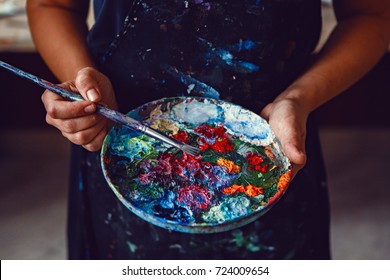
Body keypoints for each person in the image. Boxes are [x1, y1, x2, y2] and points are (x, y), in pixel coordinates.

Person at [26, 0, 390, 259]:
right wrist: (81, 83)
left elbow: (371, 14)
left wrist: (298, 98)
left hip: (269, 143)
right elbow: (51, 6)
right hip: (121, 141)